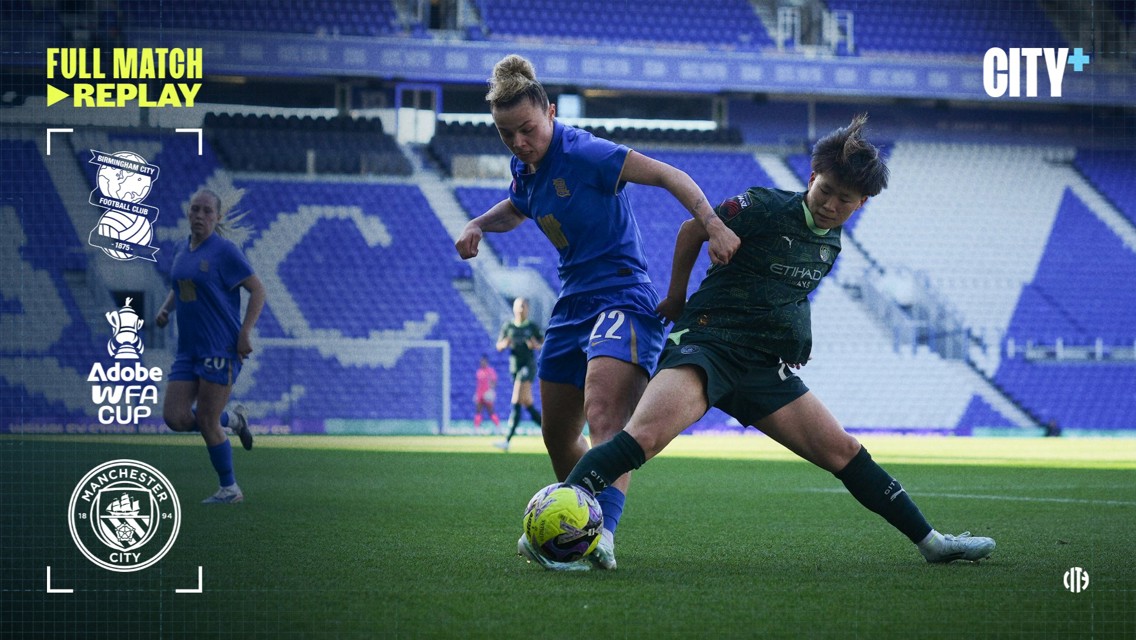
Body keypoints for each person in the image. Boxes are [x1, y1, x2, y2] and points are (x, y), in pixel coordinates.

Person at [560, 114, 997, 565]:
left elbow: (786, 291)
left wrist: (796, 337)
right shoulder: (764, 207)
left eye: (843, 200)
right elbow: (692, 229)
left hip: (762, 366)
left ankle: (933, 543)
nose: (829, 204)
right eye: (824, 190)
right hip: (708, 345)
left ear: (860, 203)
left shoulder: (832, 244)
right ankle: (566, 528)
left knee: (844, 451)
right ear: (812, 177)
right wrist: (675, 297)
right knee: (643, 437)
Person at [455, 54, 740, 571]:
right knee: (557, 434)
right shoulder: (526, 165)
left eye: (527, 129)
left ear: (550, 110)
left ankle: (603, 534)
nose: (519, 142)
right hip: (572, 303)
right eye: (506, 135)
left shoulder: (583, 150)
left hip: (623, 296)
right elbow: (517, 206)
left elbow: (668, 174)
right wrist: (478, 223)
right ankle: (574, 524)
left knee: (607, 416)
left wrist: (713, 223)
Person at [156, 188, 266, 504]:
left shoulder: (225, 251)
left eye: (207, 211)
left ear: (216, 218)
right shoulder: (183, 250)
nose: (200, 215)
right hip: (188, 349)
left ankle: (230, 489)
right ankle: (233, 420)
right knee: (175, 417)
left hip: (221, 348)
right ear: (188, 214)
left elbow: (258, 291)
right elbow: (182, 285)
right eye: (195, 209)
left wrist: (245, 333)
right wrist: (166, 309)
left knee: (205, 420)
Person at [494, 297, 542, 450]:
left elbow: (542, 345)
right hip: (514, 367)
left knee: (516, 400)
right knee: (527, 403)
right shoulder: (508, 327)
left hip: (528, 366)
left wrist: (535, 345)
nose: (521, 309)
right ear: (514, 309)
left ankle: (507, 440)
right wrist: (504, 344)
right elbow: (499, 346)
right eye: (518, 307)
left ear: (527, 309)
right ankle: (552, 433)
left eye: (523, 307)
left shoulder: (532, 327)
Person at [473, 354, 501, 432]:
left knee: (490, 411)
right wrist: (476, 393)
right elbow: (478, 384)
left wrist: (491, 391)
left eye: (484, 361)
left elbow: (494, 382)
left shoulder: (490, 371)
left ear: (487, 362)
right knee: (478, 410)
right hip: (480, 394)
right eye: (481, 361)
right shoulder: (479, 371)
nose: (482, 363)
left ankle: (498, 427)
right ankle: (476, 428)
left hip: (487, 394)